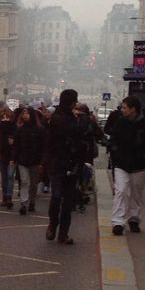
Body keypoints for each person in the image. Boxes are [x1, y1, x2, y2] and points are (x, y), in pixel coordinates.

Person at [108, 96, 145, 235]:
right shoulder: (120, 122)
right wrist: (114, 149)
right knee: (121, 190)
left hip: (139, 164)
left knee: (136, 192)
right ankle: (118, 222)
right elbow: (112, 137)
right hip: (121, 163)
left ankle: (134, 219)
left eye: (125, 107)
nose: (122, 109)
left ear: (133, 109)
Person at [44, 89, 86, 244]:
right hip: (57, 162)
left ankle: (63, 233)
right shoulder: (58, 119)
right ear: (71, 102)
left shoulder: (72, 118)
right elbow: (68, 134)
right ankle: (53, 224)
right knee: (56, 196)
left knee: (68, 201)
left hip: (72, 163)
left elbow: (82, 137)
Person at [12, 107, 45, 215]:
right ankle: (24, 204)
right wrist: (14, 158)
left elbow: (43, 147)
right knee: (25, 181)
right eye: (23, 113)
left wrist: (42, 162)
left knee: (34, 183)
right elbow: (16, 146)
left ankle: (32, 201)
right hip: (23, 160)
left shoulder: (40, 130)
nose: (25, 115)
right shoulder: (20, 129)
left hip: (35, 160)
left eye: (27, 113)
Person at [0, 107, 16, 209]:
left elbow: (17, 143)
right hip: (2, 155)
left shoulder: (14, 128)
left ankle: (9, 197)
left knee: (10, 177)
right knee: (4, 178)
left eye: (7, 117)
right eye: (3, 116)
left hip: (11, 156)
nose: (5, 118)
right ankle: (4, 197)